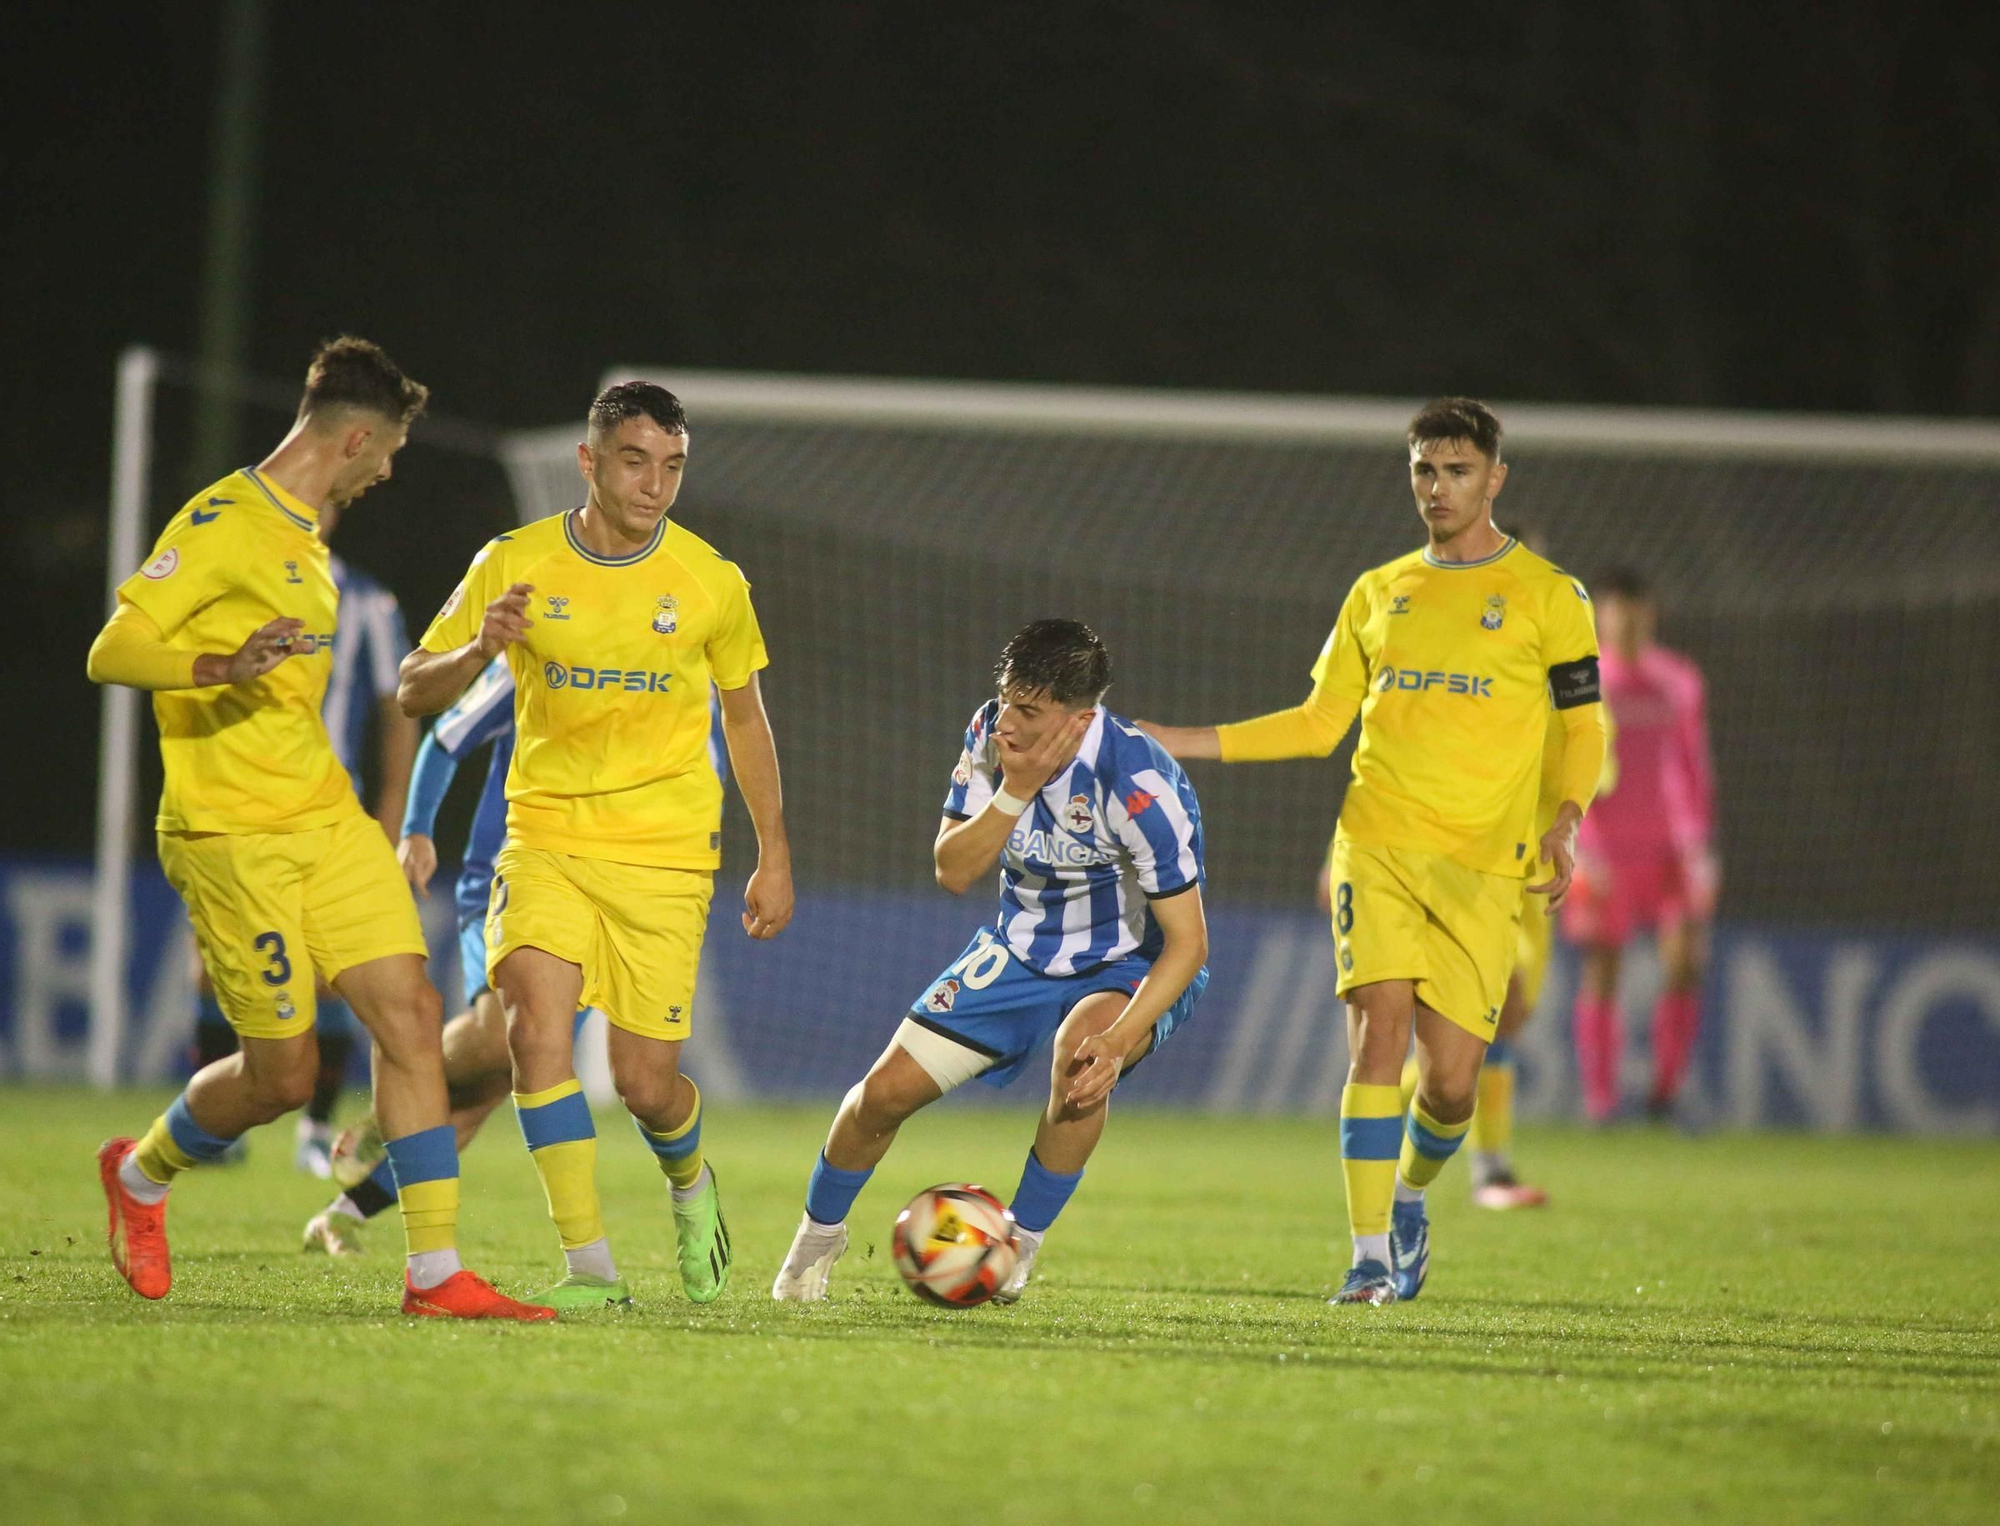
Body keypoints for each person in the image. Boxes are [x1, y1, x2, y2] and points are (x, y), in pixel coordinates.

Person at [86, 334, 552, 1321]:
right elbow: (114, 647)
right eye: (385, 453)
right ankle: (141, 1173)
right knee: (283, 1075)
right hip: (230, 833)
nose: (387, 471)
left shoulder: (311, 539)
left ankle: (434, 1273)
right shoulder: (222, 521)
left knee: (412, 1015)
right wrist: (217, 664)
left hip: (325, 819)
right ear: (351, 439)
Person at [1140, 397, 1608, 1305]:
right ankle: (1363, 1260)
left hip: (1483, 866)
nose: (1438, 488)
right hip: (1377, 844)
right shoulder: (1378, 591)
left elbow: (1585, 727)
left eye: (1458, 471)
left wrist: (1567, 819)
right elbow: (1319, 725)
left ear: (1495, 480)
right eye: (1425, 471)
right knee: (1378, 1037)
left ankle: (1407, 1198)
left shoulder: (1552, 597)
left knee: (1452, 1090)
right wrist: (1181, 739)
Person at [399, 380, 793, 1310]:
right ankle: (590, 1270)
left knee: (646, 1084)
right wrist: (477, 651)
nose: (655, 484)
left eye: (673, 465)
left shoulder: (711, 581)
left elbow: (745, 720)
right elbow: (418, 689)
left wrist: (774, 849)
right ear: (589, 462)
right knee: (535, 1032)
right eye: (634, 461)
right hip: (544, 840)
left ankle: (691, 1186)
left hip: (664, 853)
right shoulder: (514, 563)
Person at [772, 619, 1209, 1305]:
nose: (1008, 719)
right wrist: (1016, 788)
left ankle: (1018, 1250)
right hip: (1016, 951)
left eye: (1029, 711)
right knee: (882, 1095)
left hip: (1125, 963)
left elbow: (1188, 944)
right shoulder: (989, 736)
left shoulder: (1138, 785)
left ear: (1080, 719)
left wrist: (1120, 1042)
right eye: (1006, 698)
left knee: (1081, 1060)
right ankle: (814, 1241)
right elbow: (952, 870)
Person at [301, 661, 728, 1255]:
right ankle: (399, 1094)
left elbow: (711, 776)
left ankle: (346, 1209)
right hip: (516, 878)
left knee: (500, 1078)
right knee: (503, 1040)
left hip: (621, 892)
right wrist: (418, 829)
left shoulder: (686, 672)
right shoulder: (546, 650)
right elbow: (450, 734)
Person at [189, 496, 418, 1177]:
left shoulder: (367, 603)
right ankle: (218, 1129)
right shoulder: (233, 592)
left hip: (327, 818)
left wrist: (392, 808)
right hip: (238, 810)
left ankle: (315, 1130)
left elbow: (397, 709)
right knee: (214, 967)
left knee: (329, 978)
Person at [1564, 567, 1716, 1123]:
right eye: (1614, 610)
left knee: (1687, 961)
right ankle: (1600, 1103)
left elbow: (1695, 765)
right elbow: (1571, 768)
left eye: (1635, 611)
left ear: (1649, 615)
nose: (1625, 622)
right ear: (1602, 616)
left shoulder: (1680, 680)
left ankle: (1664, 1095)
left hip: (1671, 850)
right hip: (1606, 849)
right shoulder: (1587, 680)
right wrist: (1580, 845)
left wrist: (1701, 845)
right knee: (1605, 967)